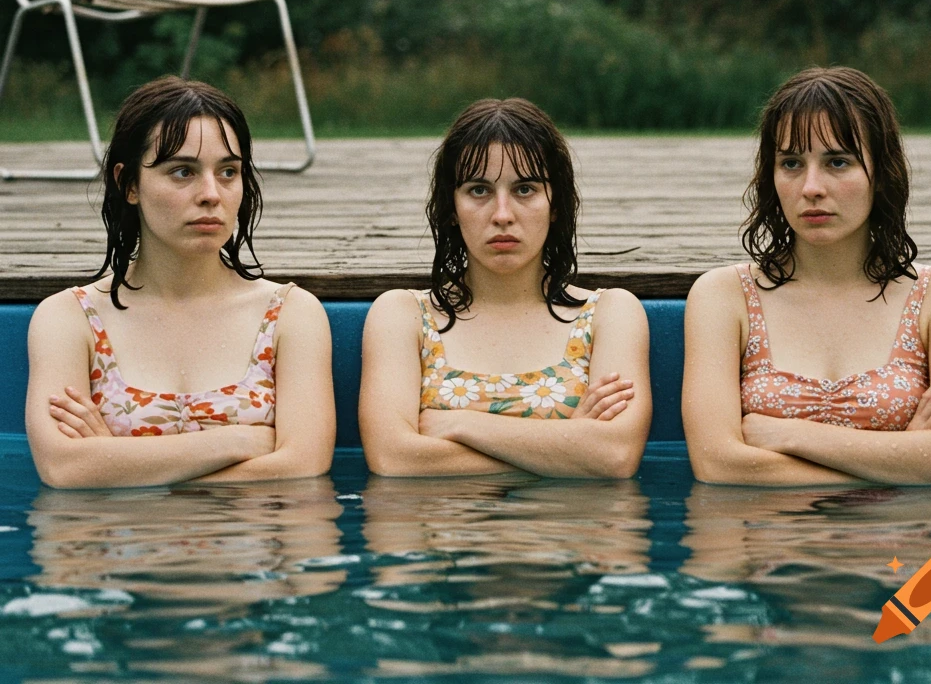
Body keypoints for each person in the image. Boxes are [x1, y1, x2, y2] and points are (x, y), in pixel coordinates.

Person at [682, 66, 931, 485]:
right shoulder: (723, 296)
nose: (811, 186)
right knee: (712, 547)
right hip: (768, 544)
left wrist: (792, 434)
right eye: (791, 162)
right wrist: (904, 460)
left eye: (838, 162)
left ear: (881, 171)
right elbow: (717, 466)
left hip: (911, 545)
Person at [25, 77, 335, 488]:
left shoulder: (289, 314)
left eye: (228, 171)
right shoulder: (69, 319)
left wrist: (119, 466)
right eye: (182, 171)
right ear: (128, 183)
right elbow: (65, 468)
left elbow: (303, 466)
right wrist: (242, 440)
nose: (211, 193)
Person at [359, 97, 651, 477]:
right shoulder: (404, 316)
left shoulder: (608, 314)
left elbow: (614, 457)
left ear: (556, 203)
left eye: (525, 189)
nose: (502, 215)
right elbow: (393, 460)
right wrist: (566, 444)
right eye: (478, 190)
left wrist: (462, 425)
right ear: (451, 207)